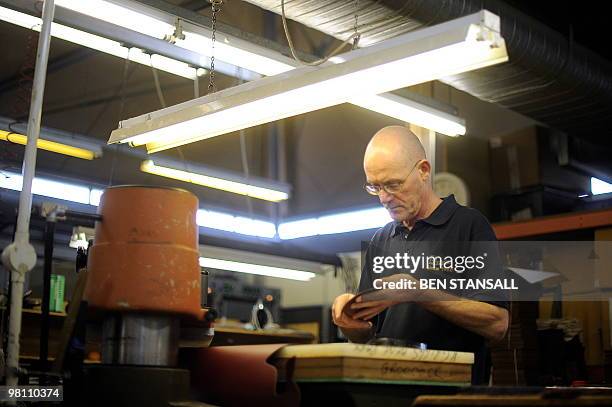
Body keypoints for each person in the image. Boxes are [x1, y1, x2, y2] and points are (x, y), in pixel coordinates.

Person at [331, 125, 509, 384]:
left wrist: (417, 292)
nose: (384, 198)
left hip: (450, 395)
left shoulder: (468, 226)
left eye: (393, 184)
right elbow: (367, 336)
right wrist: (350, 322)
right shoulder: (380, 241)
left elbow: (498, 324)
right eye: (375, 187)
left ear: (423, 171)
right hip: (391, 393)